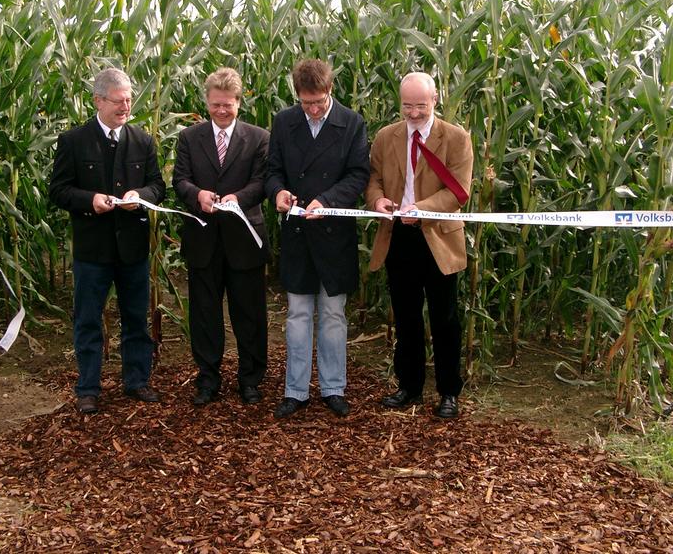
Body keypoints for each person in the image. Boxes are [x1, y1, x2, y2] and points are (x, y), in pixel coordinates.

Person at [49, 67, 166, 414]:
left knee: (135, 317)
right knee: (87, 318)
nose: (125, 106)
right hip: (93, 249)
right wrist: (91, 201)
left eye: (129, 99)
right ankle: (88, 388)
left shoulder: (142, 141)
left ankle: (137, 381)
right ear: (98, 100)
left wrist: (140, 194)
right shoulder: (74, 141)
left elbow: (158, 186)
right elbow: (58, 190)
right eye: (118, 101)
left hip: (132, 248)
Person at [265, 58, 370, 419]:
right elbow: (273, 170)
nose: (312, 109)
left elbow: (358, 175)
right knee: (297, 314)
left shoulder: (352, 124)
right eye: (306, 102)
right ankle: (295, 390)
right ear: (297, 96)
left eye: (319, 102)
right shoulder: (284, 122)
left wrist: (327, 200)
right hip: (296, 233)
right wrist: (279, 192)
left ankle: (333, 388)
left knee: (332, 314)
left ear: (330, 91)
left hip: (334, 234)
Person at [365, 71, 473, 419]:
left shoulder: (456, 139)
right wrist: (378, 201)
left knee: (445, 319)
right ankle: (409, 386)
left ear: (435, 100)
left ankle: (448, 392)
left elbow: (458, 192)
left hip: (439, 237)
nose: (413, 114)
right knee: (406, 317)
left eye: (420, 106)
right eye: (407, 106)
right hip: (399, 237)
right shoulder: (386, 137)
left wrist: (420, 209)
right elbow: (374, 180)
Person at [172, 67, 270, 406]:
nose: (221, 111)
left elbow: (262, 183)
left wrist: (238, 198)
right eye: (215, 105)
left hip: (244, 239)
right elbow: (180, 180)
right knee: (204, 314)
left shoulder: (259, 138)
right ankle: (208, 380)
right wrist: (198, 194)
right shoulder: (189, 137)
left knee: (250, 314)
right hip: (203, 240)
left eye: (228, 105)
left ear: (239, 103)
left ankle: (251, 380)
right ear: (207, 102)